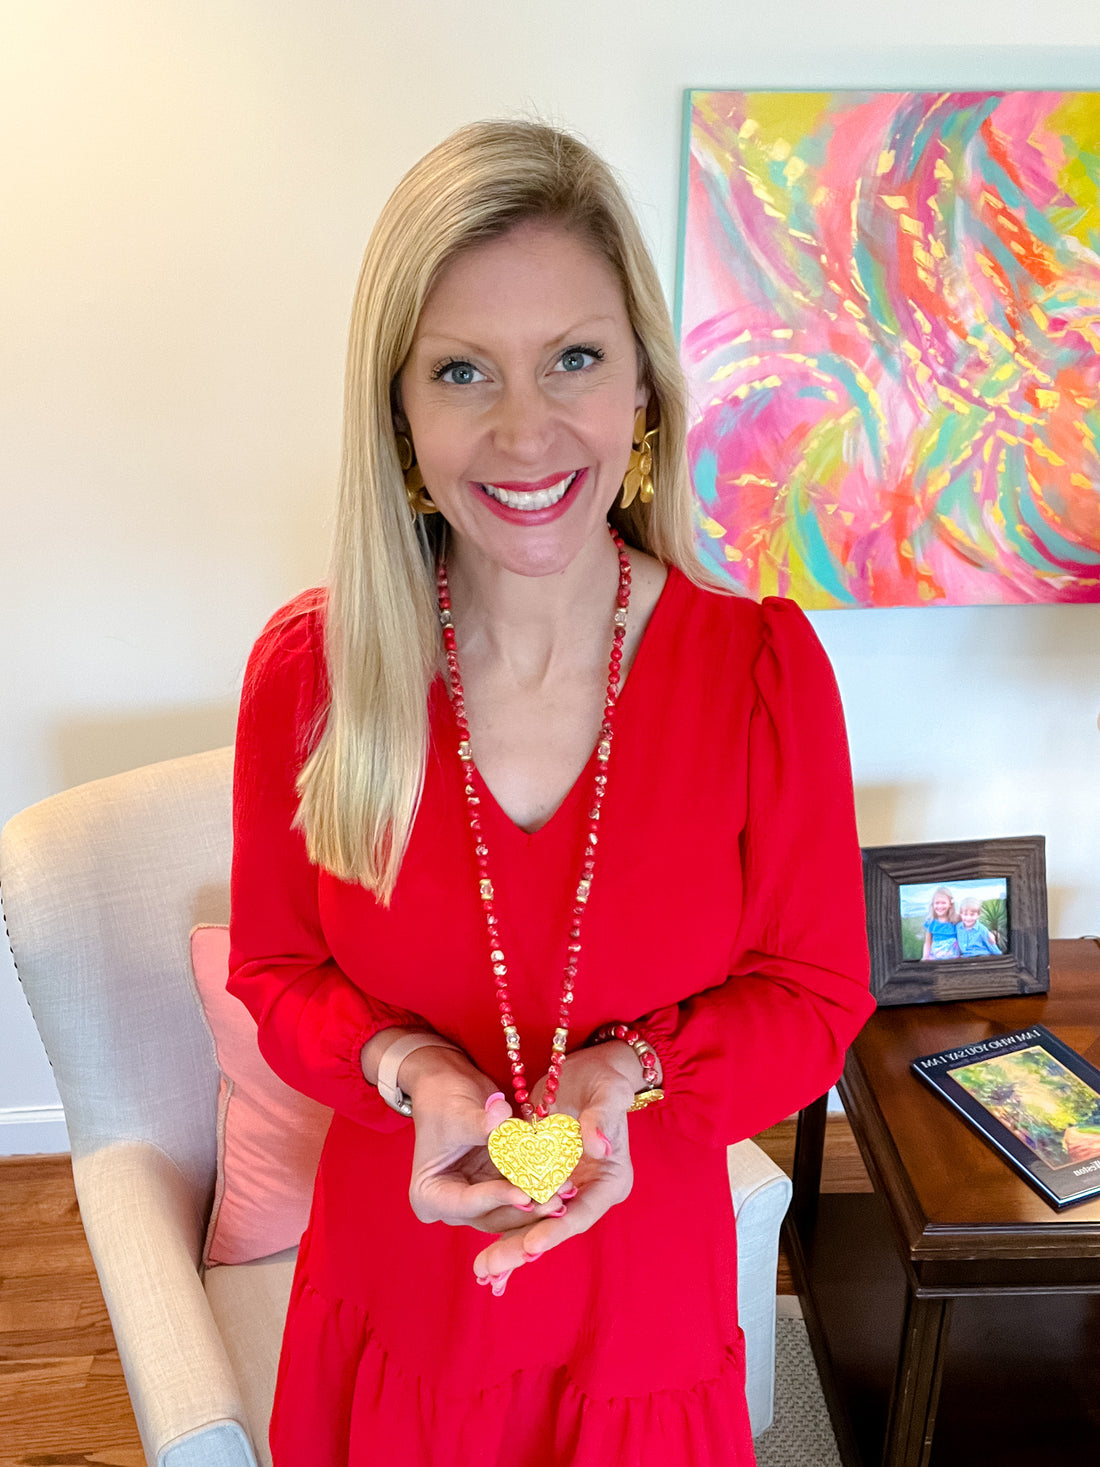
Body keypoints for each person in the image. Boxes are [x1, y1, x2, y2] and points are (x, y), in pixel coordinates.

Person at [227, 119, 874, 1467]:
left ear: (641, 382)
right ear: (399, 413)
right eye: (462, 370)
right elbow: (279, 973)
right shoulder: (312, 671)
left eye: (572, 357)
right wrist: (412, 1069)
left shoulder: (762, 671)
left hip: (640, 1316)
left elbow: (815, 998)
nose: (525, 431)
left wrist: (627, 1071)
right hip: (395, 1296)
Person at [922, 886, 961, 961]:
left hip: (954, 958)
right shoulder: (931, 922)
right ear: (933, 905)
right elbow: (928, 943)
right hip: (935, 958)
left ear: (950, 904)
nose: (940, 906)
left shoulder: (956, 920)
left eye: (943, 903)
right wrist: (925, 957)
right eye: (937, 903)